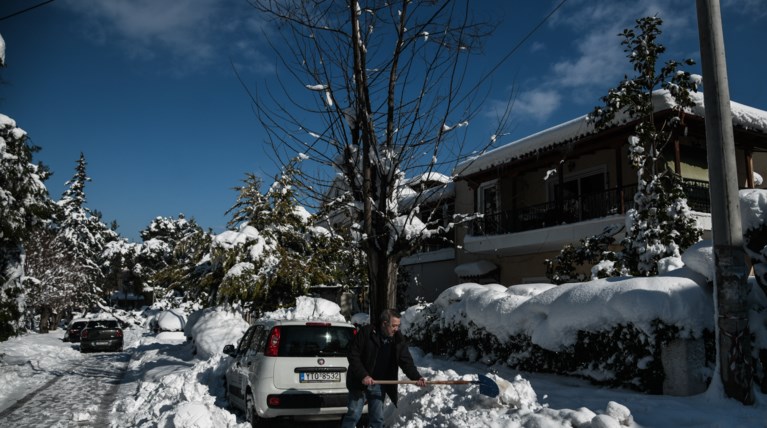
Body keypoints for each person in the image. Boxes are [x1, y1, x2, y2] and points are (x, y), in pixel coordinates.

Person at [341, 309, 427, 428]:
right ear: (384, 323)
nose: (396, 329)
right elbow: (353, 354)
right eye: (393, 326)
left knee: (377, 419)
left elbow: (406, 362)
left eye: (398, 325)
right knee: (353, 415)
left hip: (379, 384)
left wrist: (417, 377)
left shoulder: (398, 339)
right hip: (359, 383)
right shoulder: (367, 333)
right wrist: (363, 375)